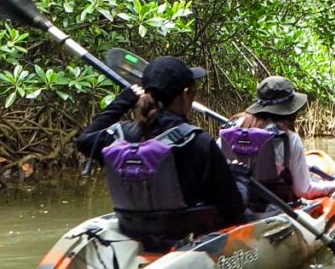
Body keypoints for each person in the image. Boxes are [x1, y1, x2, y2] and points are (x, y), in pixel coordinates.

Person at [76, 56, 246, 251]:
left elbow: (84, 140)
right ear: (185, 94)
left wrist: (122, 101)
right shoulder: (198, 141)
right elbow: (234, 212)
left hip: (132, 229)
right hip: (184, 236)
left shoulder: (120, 135)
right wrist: (240, 178)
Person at [220, 76, 335, 210]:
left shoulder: (232, 128)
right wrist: (333, 185)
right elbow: (304, 191)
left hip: (239, 203)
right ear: (289, 109)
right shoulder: (289, 139)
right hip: (278, 207)